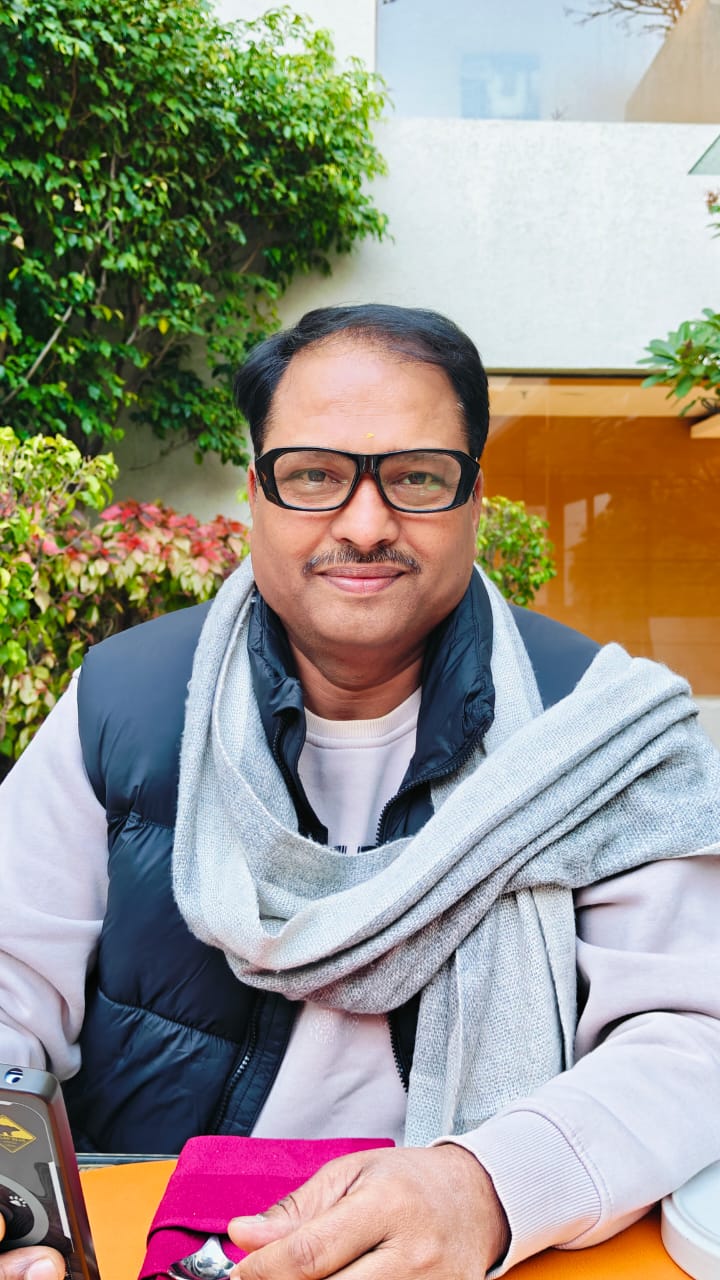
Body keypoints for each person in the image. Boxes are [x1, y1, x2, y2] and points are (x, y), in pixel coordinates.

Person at [1, 304, 719, 1280]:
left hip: (504, 1250)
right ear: (257, 491)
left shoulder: (602, 728)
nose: (366, 523)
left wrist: (490, 1186)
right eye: (314, 475)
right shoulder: (122, 705)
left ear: (473, 495)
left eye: (417, 476)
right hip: (155, 1239)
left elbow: (693, 1037)